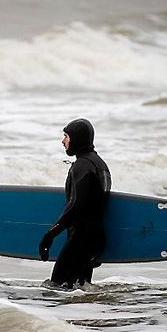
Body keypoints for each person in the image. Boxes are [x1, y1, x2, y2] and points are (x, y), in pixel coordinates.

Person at [38, 118, 112, 288]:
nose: (63, 141)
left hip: (80, 240)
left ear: (76, 138)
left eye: (66, 136)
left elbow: (76, 206)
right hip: (94, 238)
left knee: (55, 290)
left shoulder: (83, 165)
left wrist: (50, 235)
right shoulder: (99, 163)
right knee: (81, 291)